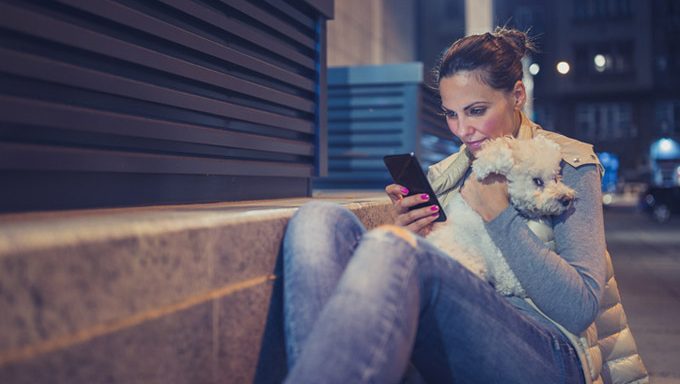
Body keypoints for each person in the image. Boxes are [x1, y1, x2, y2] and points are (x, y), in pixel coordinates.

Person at [282, 27, 647, 384]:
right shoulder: (446, 176)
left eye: (475, 110)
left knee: (394, 248)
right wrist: (417, 238)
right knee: (318, 219)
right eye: (451, 113)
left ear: (517, 95)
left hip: (552, 352)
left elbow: (579, 308)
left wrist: (499, 216)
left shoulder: (564, 163)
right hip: (461, 331)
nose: (461, 129)